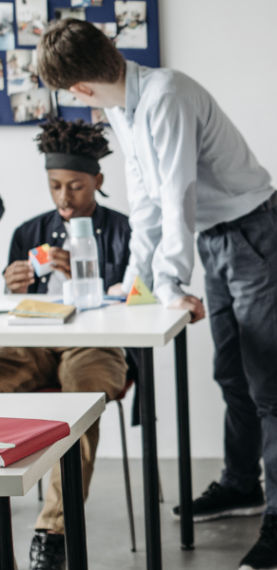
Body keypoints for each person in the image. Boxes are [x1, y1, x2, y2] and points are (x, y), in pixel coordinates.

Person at [37, 19, 277, 570]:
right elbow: (146, 203)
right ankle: (242, 485)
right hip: (216, 239)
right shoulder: (122, 106)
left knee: (269, 382)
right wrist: (136, 280)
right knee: (231, 373)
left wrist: (169, 280)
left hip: (253, 234)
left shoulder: (167, 95)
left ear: (78, 89)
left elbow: (176, 191)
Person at [0, 118, 130, 570]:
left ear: (97, 180)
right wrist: (9, 285)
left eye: (75, 186)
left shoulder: (126, 230)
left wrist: (87, 277)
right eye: (55, 186)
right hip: (35, 341)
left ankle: (52, 533)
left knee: (81, 402)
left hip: (96, 342)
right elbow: (12, 311)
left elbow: (142, 300)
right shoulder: (27, 231)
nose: (64, 198)